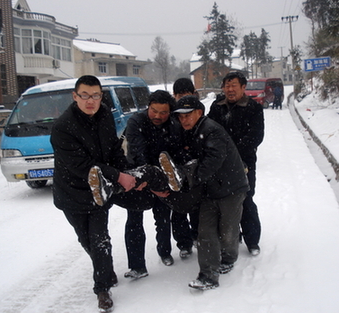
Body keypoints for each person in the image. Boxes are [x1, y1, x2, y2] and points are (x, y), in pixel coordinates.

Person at [50, 75, 142, 312]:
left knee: (100, 239)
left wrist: (125, 171)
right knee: (87, 239)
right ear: (75, 96)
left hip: (99, 192)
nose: (91, 101)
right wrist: (117, 175)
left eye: (96, 95)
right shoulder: (62, 128)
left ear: (101, 96)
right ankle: (105, 269)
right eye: (85, 95)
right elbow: (82, 165)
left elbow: (112, 149)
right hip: (71, 193)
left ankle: (102, 289)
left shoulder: (104, 117)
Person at [159, 95, 250, 290]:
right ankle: (208, 275)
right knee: (206, 232)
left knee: (227, 231)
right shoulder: (190, 131)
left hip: (231, 189)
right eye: (180, 116)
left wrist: (185, 179)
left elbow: (211, 163)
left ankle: (228, 257)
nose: (183, 120)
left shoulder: (212, 131)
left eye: (188, 115)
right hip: (209, 190)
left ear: (199, 113)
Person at [123, 90, 193, 279]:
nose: (158, 116)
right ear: (149, 106)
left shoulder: (173, 124)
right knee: (134, 221)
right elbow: (138, 151)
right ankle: (137, 266)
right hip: (138, 174)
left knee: (166, 215)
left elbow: (177, 150)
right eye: (154, 110)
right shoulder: (136, 122)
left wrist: (166, 176)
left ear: (170, 112)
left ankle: (172, 248)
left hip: (163, 175)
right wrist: (147, 178)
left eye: (163, 112)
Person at [208, 72, 265, 256]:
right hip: (220, 164)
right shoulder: (217, 108)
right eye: (227, 86)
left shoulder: (253, 108)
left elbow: (256, 136)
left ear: (243, 87)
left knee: (246, 199)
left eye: (234, 86)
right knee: (224, 202)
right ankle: (233, 236)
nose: (230, 89)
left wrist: (232, 153)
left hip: (244, 163)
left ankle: (252, 240)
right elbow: (209, 132)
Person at [171, 78, 200, 243]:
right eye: (179, 95)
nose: (182, 98)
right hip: (176, 168)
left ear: (193, 94)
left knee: (197, 206)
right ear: (174, 96)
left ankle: (197, 235)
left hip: (196, 168)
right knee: (178, 209)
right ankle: (183, 242)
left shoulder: (198, 112)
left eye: (186, 94)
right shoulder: (172, 116)